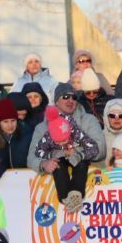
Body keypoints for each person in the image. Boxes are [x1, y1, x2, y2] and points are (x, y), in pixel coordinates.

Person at [28, 83, 104, 211]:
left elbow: (101, 150)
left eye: (74, 97)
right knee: (59, 164)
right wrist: (44, 163)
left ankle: (75, 196)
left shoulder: (89, 120)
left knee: (80, 161)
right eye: (65, 96)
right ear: (56, 101)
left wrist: (76, 152)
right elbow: (31, 156)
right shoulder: (42, 127)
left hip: (91, 194)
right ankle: (66, 198)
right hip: (53, 200)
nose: (70, 100)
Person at [0, 97, 32, 169]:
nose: (10, 125)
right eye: (5, 122)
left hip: (25, 177)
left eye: (13, 120)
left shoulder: (27, 135)